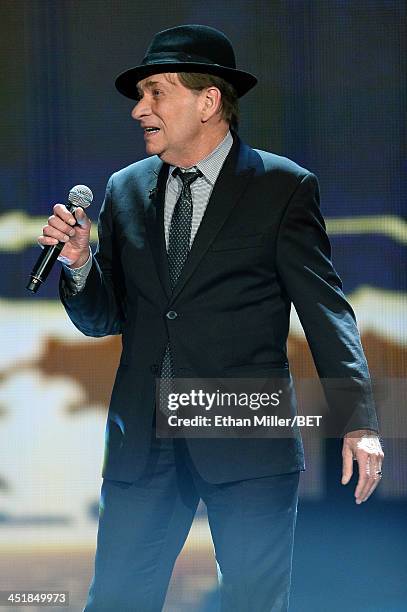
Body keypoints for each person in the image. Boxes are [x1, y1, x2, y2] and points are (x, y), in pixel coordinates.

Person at [38, 24, 384, 612]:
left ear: (208, 101)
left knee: (252, 602)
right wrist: (77, 264)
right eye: (139, 96)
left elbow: (326, 311)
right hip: (143, 442)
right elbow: (104, 319)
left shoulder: (281, 187)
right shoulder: (125, 190)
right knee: (117, 599)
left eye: (155, 93)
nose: (138, 110)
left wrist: (358, 422)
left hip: (245, 433)